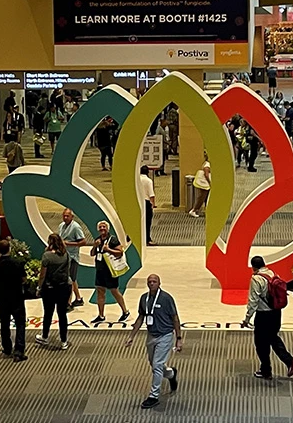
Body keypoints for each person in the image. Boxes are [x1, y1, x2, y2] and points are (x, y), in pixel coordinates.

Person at [126, 274, 182, 409]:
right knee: (154, 364)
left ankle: (153, 396)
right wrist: (131, 336)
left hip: (165, 335)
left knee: (157, 365)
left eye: (154, 281)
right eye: (150, 281)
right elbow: (141, 317)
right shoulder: (144, 298)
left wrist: (179, 338)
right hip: (151, 335)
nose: (152, 283)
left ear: (159, 283)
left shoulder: (166, 298)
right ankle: (171, 374)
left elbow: (175, 318)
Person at [242, 256, 293, 380]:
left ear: (253, 267)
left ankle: (266, 371)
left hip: (263, 316)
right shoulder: (272, 273)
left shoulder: (256, 279)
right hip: (276, 313)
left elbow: (253, 301)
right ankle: (289, 361)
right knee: (273, 338)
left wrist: (247, 319)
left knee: (261, 344)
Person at [0, 239, 28, 362]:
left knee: (4, 323)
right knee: (20, 323)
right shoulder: (17, 263)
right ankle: (19, 350)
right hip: (17, 297)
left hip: (3, 298)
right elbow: (24, 279)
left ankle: (7, 348)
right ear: (10, 249)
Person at [36, 234, 72, 350]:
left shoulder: (47, 256)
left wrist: (39, 287)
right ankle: (64, 341)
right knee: (62, 314)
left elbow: (42, 275)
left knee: (48, 313)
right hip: (64, 287)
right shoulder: (66, 254)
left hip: (50, 289)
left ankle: (45, 337)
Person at [89, 221, 130, 323]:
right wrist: (95, 246)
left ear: (108, 228)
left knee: (114, 291)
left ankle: (125, 311)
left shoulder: (113, 240)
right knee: (100, 291)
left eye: (104, 227)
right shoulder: (98, 240)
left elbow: (120, 252)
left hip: (110, 270)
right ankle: (101, 315)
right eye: (100, 227)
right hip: (100, 270)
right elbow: (92, 254)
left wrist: (108, 250)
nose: (102, 228)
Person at [57, 209, 87, 310]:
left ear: (72, 217)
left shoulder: (75, 227)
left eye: (67, 216)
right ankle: (78, 298)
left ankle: (68, 303)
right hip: (64, 257)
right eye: (64, 216)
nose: (65, 218)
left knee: (69, 280)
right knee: (72, 279)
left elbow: (83, 242)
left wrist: (69, 244)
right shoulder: (61, 226)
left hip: (72, 257)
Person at [140, 166, 157, 245]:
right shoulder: (148, 181)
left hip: (138, 201)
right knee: (147, 222)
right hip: (146, 202)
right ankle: (147, 239)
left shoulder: (137, 180)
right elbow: (151, 194)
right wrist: (153, 204)